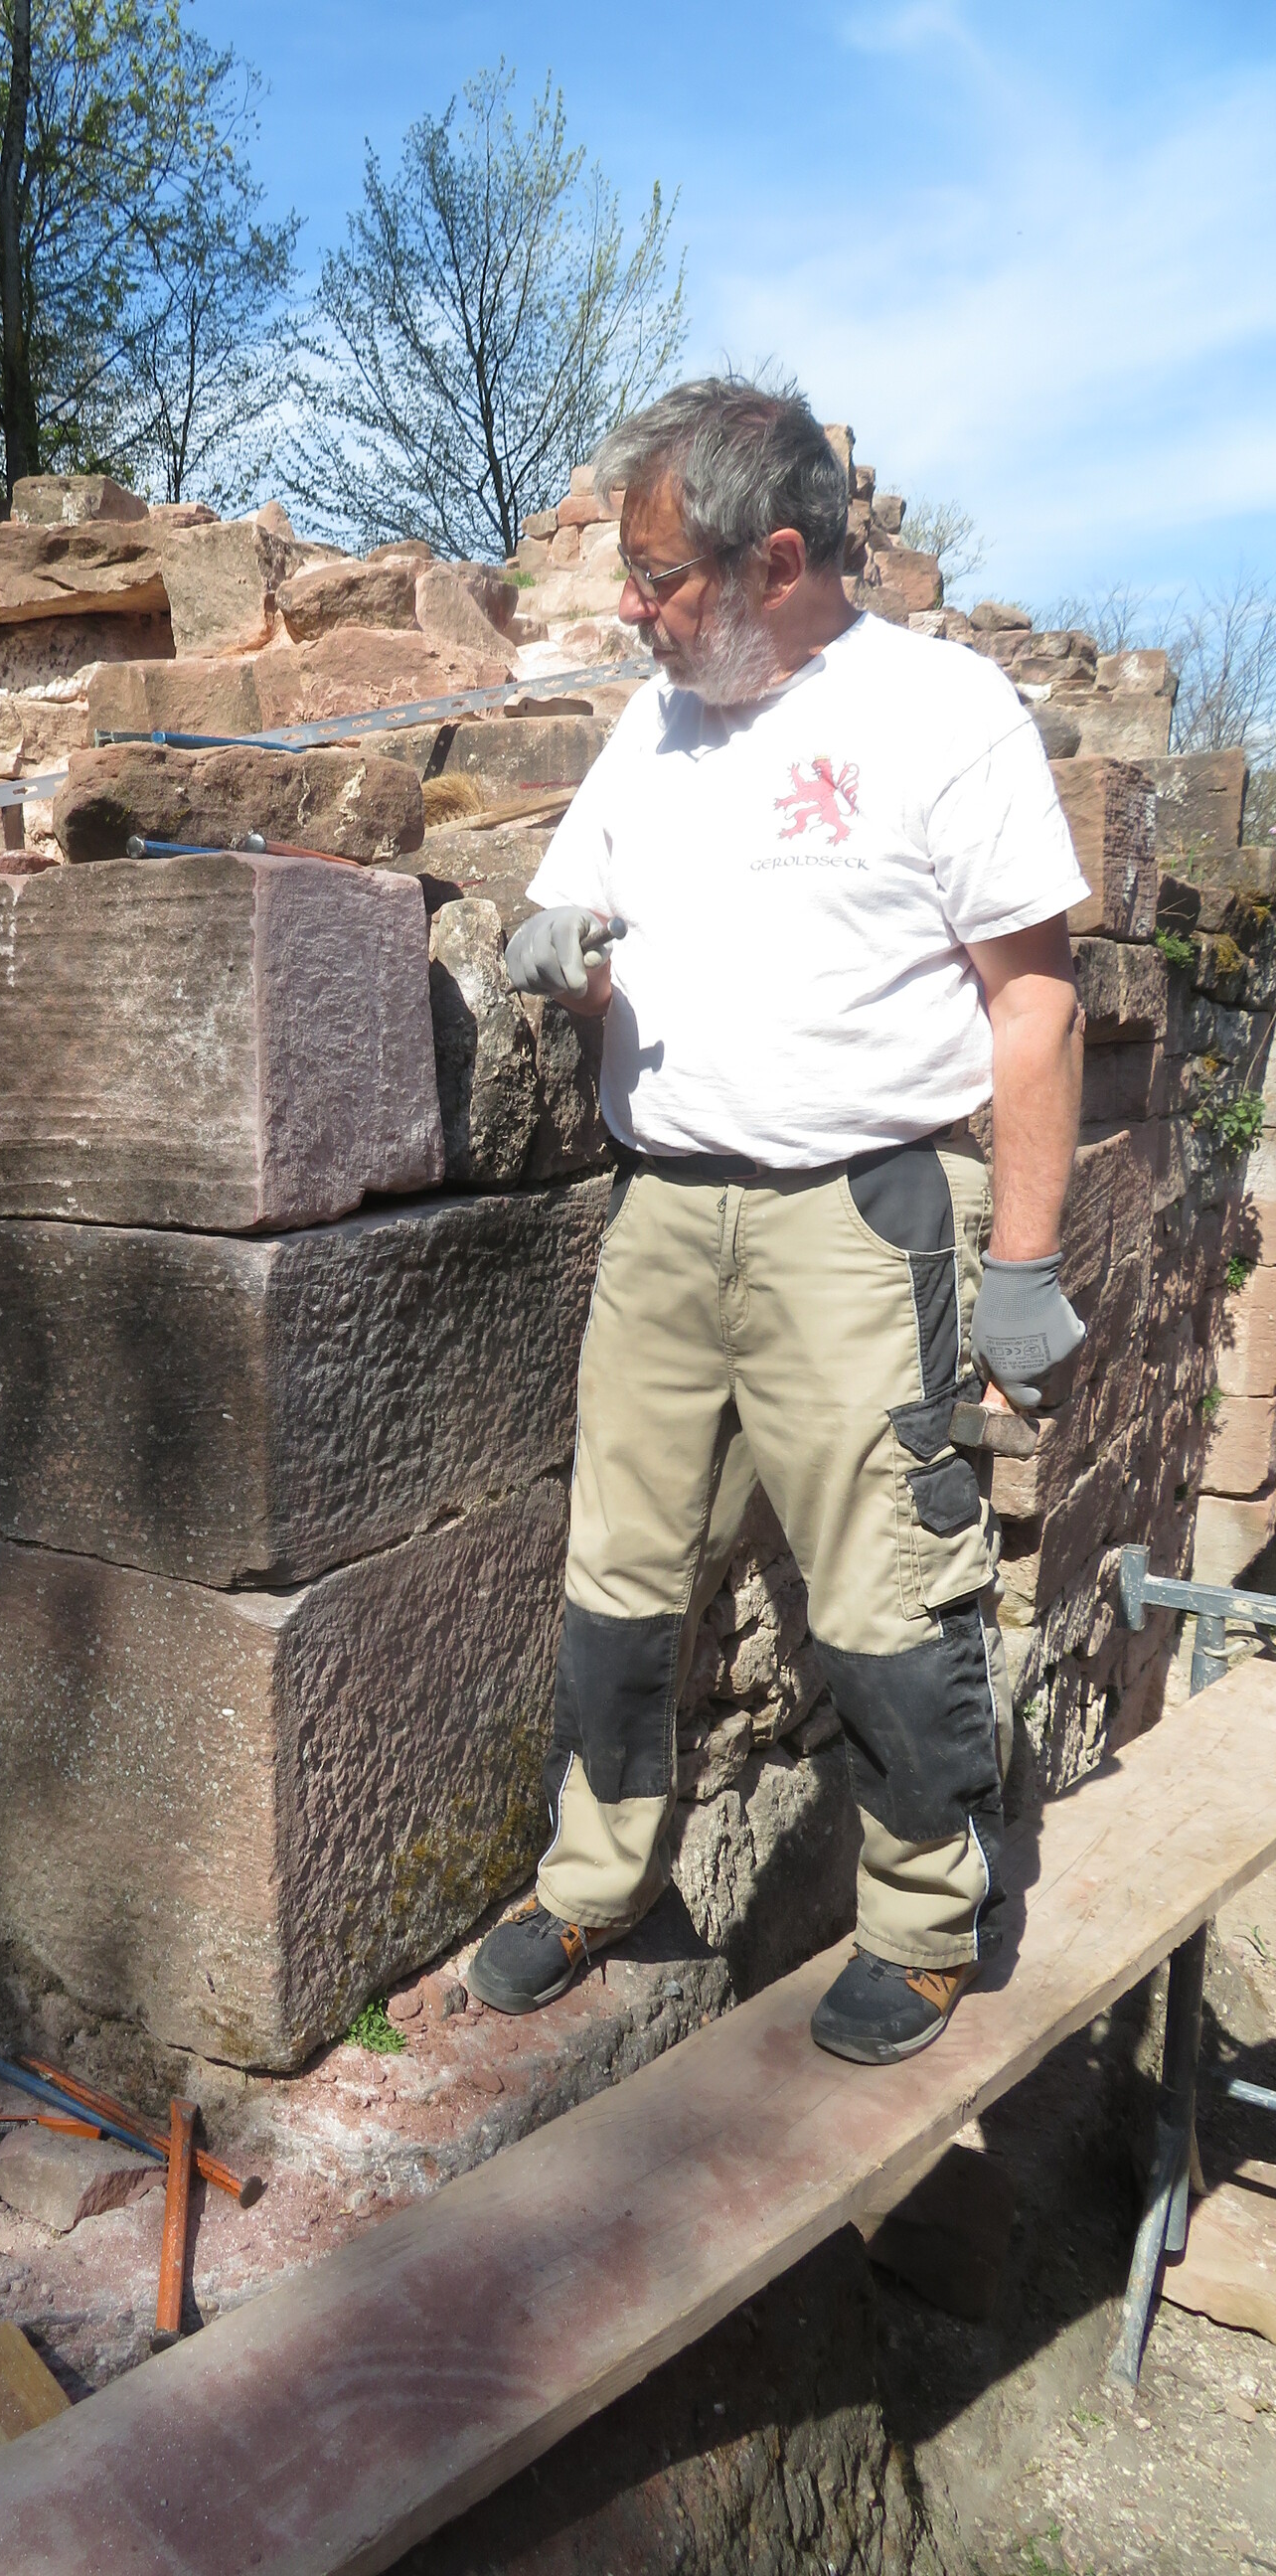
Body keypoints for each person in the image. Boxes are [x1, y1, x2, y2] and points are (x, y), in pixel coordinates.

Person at [466, 377, 1088, 2065]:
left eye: (659, 576)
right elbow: (570, 916)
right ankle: (594, 1883)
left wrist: (1024, 1265)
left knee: (887, 1592)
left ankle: (927, 1922)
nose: (632, 607)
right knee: (618, 1572)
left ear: (783, 561)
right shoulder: (656, 724)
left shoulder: (941, 712)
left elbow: (1035, 999)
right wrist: (555, 952)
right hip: (667, 1209)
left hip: (860, 1226)